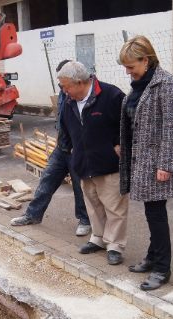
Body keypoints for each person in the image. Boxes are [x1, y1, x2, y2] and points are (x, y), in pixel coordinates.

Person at [118, 36, 173, 290]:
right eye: (126, 67)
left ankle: (162, 268)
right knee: (152, 212)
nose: (128, 71)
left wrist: (166, 165)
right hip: (143, 160)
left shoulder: (167, 85)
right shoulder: (140, 84)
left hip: (158, 163)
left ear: (146, 60)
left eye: (131, 66)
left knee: (156, 214)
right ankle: (152, 258)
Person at [57, 61, 128, 265]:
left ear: (79, 83)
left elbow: (128, 125)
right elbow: (64, 127)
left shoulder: (111, 95)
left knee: (115, 206)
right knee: (93, 204)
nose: (63, 90)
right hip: (83, 163)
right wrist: (69, 149)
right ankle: (98, 238)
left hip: (109, 163)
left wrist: (119, 144)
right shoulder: (69, 100)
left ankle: (114, 245)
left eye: (65, 86)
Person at [10, 60, 91, 237]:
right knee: (47, 179)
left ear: (75, 80)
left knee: (79, 186)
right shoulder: (64, 92)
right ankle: (33, 215)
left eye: (64, 84)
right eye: (60, 83)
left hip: (77, 150)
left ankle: (85, 220)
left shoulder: (84, 94)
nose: (62, 88)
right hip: (61, 147)